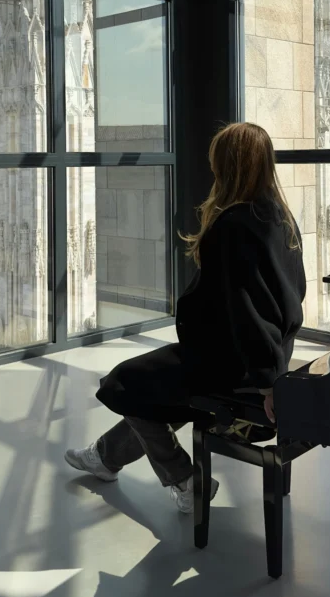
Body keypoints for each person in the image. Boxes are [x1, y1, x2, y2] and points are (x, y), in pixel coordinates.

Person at [64, 122, 307, 513]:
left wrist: (266, 383)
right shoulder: (280, 217)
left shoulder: (233, 225)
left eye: (216, 162)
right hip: (255, 353)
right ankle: (105, 457)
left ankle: (185, 480)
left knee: (123, 381)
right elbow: (292, 295)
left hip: (231, 364)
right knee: (153, 388)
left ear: (228, 166)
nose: (211, 169)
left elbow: (249, 312)